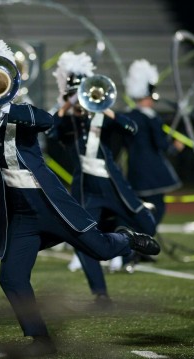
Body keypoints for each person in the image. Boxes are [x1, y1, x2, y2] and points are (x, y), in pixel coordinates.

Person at [0, 39, 160, 357]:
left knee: (100, 250)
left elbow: (46, 121)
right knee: (11, 277)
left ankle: (126, 238)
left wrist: (4, 106)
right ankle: (40, 339)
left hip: (48, 203)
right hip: (20, 213)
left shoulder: (23, 113)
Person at [48, 51, 157, 304]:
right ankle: (100, 293)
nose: (78, 100)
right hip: (86, 190)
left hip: (113, 185)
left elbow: (132, 128)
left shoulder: (102, 116)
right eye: (73, 94)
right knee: (82, 239)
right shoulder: (66, 123)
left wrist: (107, 111)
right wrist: (65, 107)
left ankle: (123, 236)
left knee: (148, 226)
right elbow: (50, 131)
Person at [123, 59, 183, 225]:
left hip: (134, 169)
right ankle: (143, 242)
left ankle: (134, 241)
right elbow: (161, 144)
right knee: (157, 207)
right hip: (151, 171)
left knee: (138, 208)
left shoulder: (128, 116)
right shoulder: (151, 117)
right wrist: (175, 147)